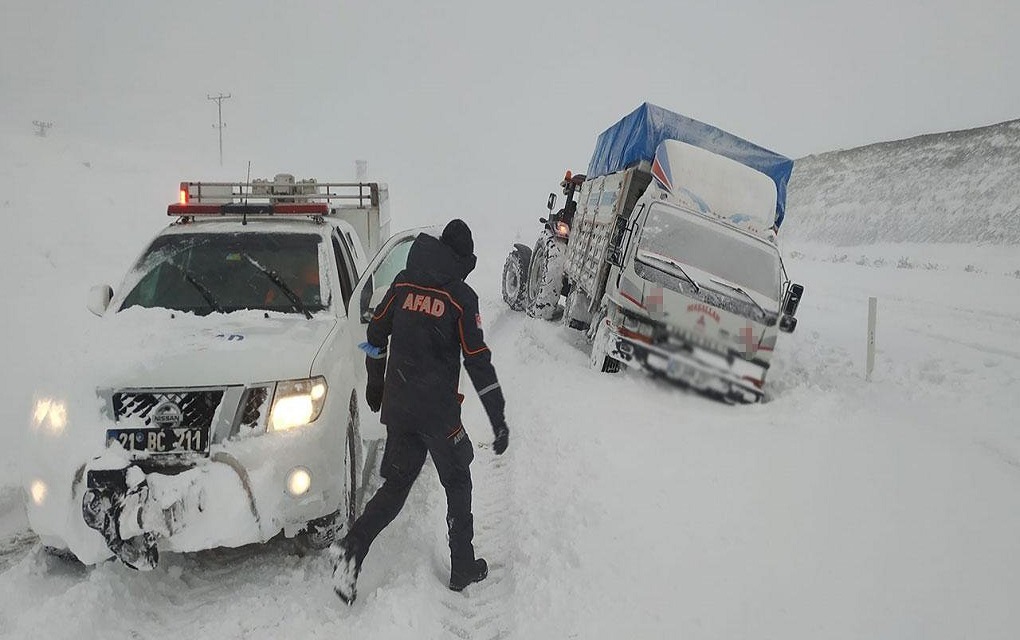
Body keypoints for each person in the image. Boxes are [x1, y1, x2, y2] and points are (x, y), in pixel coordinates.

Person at [331, 219, 510, 605]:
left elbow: (374, 336)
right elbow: (478, 362)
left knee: (395, 488)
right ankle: (462, 566)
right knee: (458, 480)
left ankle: (351, 549)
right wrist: (498, 419)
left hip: (400, 409)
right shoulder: (462, 298)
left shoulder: (402, 284)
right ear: (460, 259)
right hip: (439, 415)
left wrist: (376, 386)